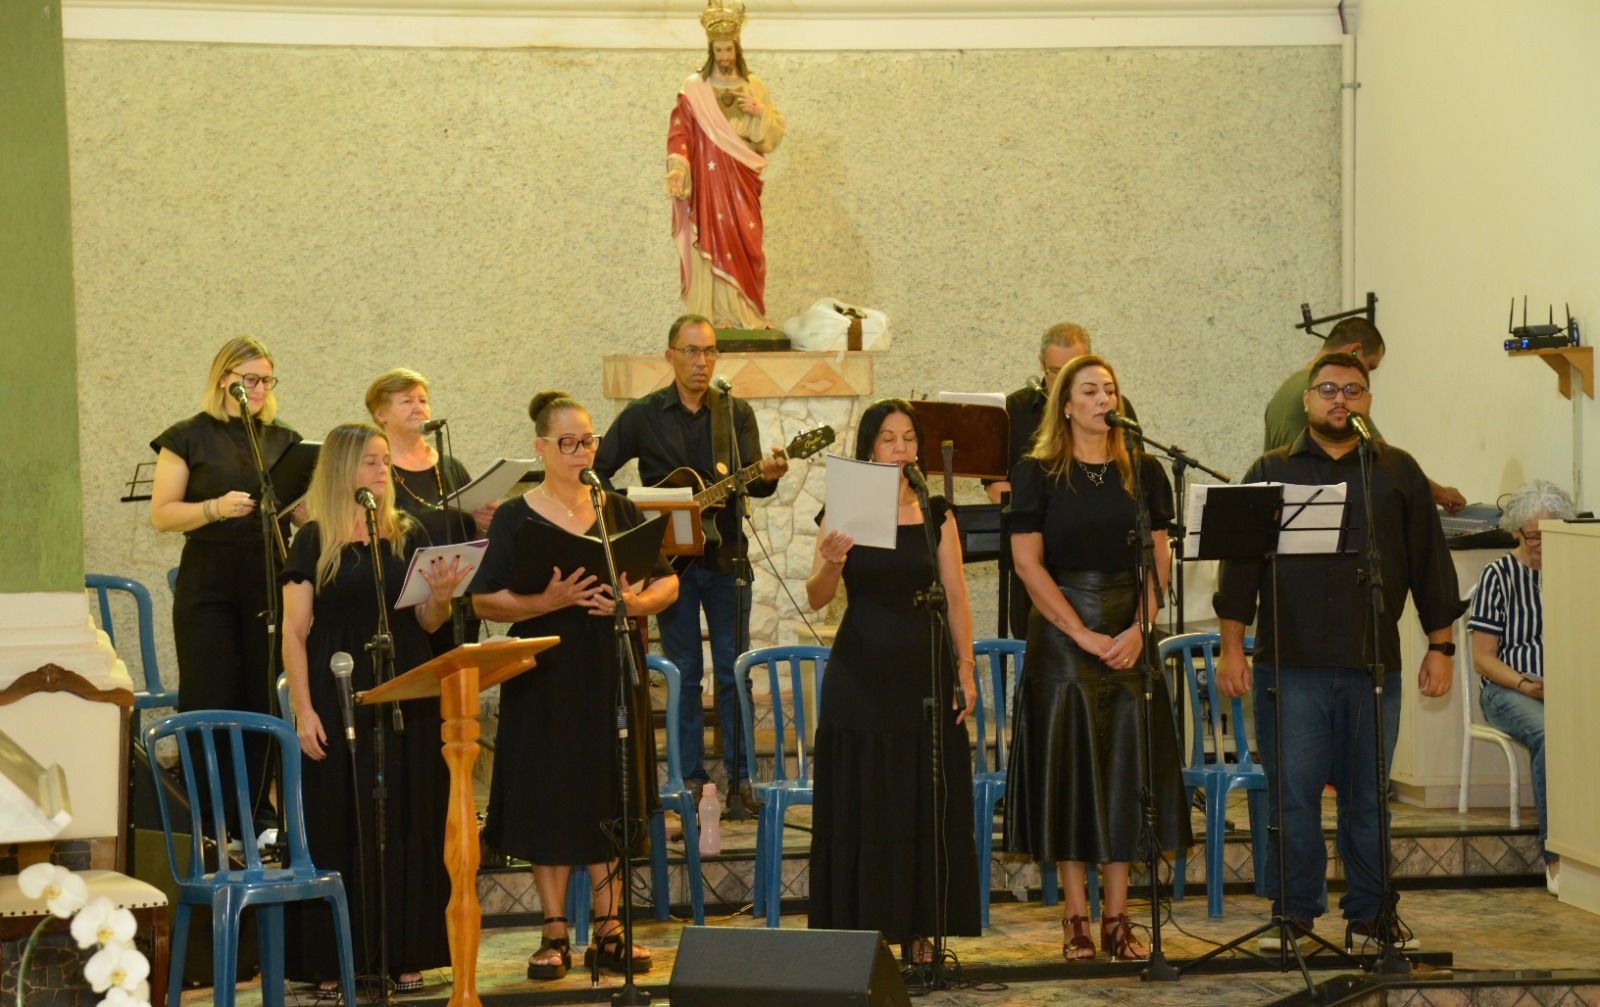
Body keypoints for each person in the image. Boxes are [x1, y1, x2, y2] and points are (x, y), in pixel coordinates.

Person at [1216, 351, 1462, 952]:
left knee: (1367, 800)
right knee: (1293, 799)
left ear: (1368, 402)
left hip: (1371, 663)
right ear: (1307, 399)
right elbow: (1239, 569)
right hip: (1289, 664)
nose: (1340, 399)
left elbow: (1430, 562)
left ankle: (1371, 916)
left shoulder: (1396, 471)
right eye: (1327, 389)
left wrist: (1442, 646)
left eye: (1353, 390)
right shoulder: (1270, 471)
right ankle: (1295, 915)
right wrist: (1231, 649)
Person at [471, 391, 678, 980]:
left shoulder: (616, 508)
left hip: (609, 669)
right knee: (549, 797)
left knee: (608, 789)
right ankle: (554, 929)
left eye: (589, 441)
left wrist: (637, 602)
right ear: (541, 448)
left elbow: (668, 583)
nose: (581, 452)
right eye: (568, 443)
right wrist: (547, 600)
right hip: (543, 673)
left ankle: (610, 930)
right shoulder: (516, 516)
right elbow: (484, 600)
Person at [1001, 355, 1191, 962]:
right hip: (1063, 632)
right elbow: (1027, 564)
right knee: (1072, 773)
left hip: (1130, 628)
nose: (1102, 399)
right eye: (1089, 391)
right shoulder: (1037, 473)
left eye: (1109, 389)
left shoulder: (1144, 471)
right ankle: (1076, 918)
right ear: (1065, 405)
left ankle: (1119, 918)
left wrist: (1141, 626)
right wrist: (1080, 633)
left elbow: (1158, 559)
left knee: (1125, 774)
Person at [281, 422, 468, 995]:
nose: (382, 470)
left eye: (385, 460)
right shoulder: (313, 539)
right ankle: (337, 956)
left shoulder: (407, 533)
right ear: (343, 468)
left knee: (408, 814)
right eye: (370, 461)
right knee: (343, 817)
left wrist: (442, 597)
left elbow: (427, 623)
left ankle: (405, 951)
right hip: (338, 688)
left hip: (407, 685)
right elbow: (293, 632)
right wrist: (303, 711)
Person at [805, 398, 980, 962]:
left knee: (923, 801)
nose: (900, 447)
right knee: (869, 803)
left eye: (908, 438)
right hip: (861, 672)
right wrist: (833, 560)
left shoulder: (936, 511)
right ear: (869, 449)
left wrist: (965, 668)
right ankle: (868, 932)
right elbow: (817, 596)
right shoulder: (846, 508)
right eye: (888, 438)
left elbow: (957, 596)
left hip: (924, 672)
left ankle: (923, 928)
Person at [594, 314, 788, 820]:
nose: (702, 361)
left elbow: (752, 483)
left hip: (727, 560)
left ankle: (741, 779)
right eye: (691, 351)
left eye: (709, 351)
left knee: (733, 670)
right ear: (670, 356)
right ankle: (689, 781)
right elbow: (597, 472)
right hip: (668, 567)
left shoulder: (735, 412)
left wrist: (769, 474)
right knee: (683, 672)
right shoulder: (642, 415)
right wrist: (632, 515)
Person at [150, 336, 302, 830]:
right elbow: (162, 514)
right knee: (211, 694)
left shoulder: (284, 440)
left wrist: (304, 510)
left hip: (267, 581)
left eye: (267, 380)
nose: (259, 389)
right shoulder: (187, 437)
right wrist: (214, 508)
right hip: (209, 585)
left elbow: (297, 509)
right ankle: (209, 818)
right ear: (223, 380)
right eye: (249, 379)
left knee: (263, 695)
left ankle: (256, 813)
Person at [986, 323, 1136, 640]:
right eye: (1056, 371)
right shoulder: (1013, 410)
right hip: (1042, 565)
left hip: (1109, 579)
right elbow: (996, 487)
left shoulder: (1114, 410)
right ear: (1041, 364)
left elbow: (1128, 480)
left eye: (1073, 369)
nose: (1063, 380)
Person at [1468, 479, 1574, 896]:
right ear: (1516, 531)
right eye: (1533, 536)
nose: (1541, 545)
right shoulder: (1498, 575)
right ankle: (1556, 856)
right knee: (1549, 732)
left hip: (1567, 687)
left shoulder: (1574, 571)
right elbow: (1483, 658)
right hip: (1508, 688)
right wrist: (1526, 683)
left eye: (1551, 534)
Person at [1262, 317, 1466, 512]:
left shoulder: (1287, 389)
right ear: (1354, 351)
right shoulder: (1343, 398)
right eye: (1370, 366)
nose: (1340, 397)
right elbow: (1386, 465)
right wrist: (1442, 494)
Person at [666, 0, 785, 330]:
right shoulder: (694, 88)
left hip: (742, 173)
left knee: (746, 239)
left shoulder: (754, 85)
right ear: (711, 50)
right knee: (713, 236)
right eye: (719, 50)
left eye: (729, 49)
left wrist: (759, 113)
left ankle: (747, 315)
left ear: (737, 48)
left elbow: (772, 135)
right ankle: (715, 315)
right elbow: (680, 131)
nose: (725, 56)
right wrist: (678, 168)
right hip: (709, 178)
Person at [364, 368, 496, 656]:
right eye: (407, 401)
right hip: (406, 608)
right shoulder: (377, 473)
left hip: (459, 605)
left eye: (423, 400)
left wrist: (484, 525)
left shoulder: (451, 466)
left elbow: (471, 537)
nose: (419, 408)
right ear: (380, 414)